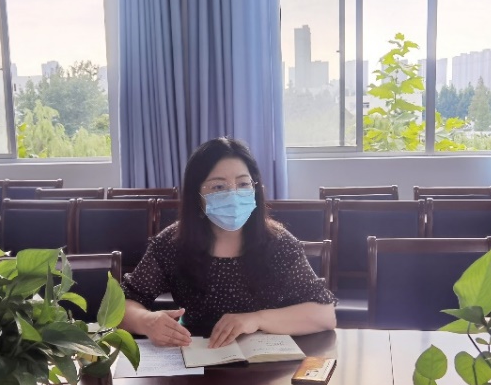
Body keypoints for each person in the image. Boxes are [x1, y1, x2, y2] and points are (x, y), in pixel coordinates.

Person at [120, 137, 337, 348]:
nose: (233, 195)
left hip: (264, 358)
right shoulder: (172, 243)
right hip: (196, 354)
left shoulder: (279, 243)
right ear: (196, 195)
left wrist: (257, 319)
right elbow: (121, 305)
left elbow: (324, 314)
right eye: (218, 187)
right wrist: (146, 321)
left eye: (243, 184)